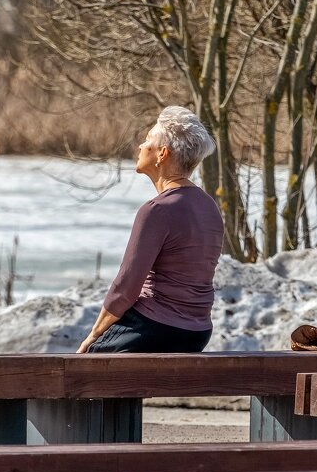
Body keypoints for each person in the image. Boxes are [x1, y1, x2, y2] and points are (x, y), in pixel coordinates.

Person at [78, 106, 224, 353]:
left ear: (162, 154)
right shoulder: (210, 207)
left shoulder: (156, 210)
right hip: (198, 332)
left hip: (156, 326)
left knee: (89, 366)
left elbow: (126, 287)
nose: (140, 146)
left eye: (147, 140)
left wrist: (94, 335)